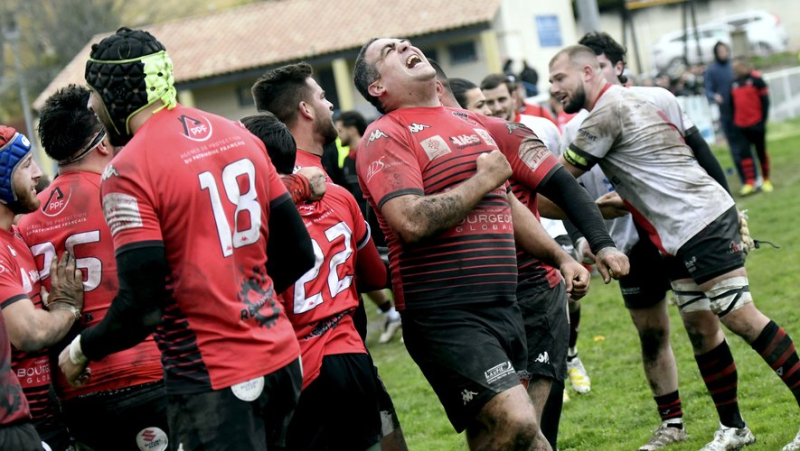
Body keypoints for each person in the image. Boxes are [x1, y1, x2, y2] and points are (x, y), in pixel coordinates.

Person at [352, 37, 628, 450]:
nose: (404, 44)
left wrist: (559, 256)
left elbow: (506, 203)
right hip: (445, 314)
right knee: (520, 423)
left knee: (503, 437)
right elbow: (409, 221)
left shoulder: (471, 124)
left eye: (404, 41)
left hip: (504, 306)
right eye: (389, 50)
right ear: (378, 87)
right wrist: (483, 178)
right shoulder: (384, 135)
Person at [57, 27, 315, 450]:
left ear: (120, 92)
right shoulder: (238, 134)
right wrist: (244, 302)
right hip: (280, 359)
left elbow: (142, 306)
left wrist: (82, 349)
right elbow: (298, 252)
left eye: (94, 92)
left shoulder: (128, 169)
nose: (90, 104)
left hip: (212, 378)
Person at [550, 44, 800, 451]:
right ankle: (734, 428)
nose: (553, 88)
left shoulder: (604, 115)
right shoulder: (627, 103)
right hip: (674, 234)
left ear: (590, 71)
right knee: (701, 329)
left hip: (699, 222)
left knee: (740, 317)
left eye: (559, 78)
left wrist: (517, 186)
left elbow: (555, 189)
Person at [250, 65, 408, 449]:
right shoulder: (327, 191)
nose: (331, 103)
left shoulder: (254, 197)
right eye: (322, 96)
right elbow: (373, 275)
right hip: (332, 352)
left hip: (306, 359)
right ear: (305, 109)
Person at [19, 84, 169, 451]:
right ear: (103, 143)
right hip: (144, 370)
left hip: (73, 389)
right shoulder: (124, 194)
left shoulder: (23, 223)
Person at [0, 126, 83, 451]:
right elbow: (29, 333)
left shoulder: (17, 236)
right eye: (26, 165)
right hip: (16, 427)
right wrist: (66, 309)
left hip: (45, 417)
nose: (38, 173)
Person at [705, 42, 757, 196]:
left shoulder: (734, 66)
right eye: (719, 51)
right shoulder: (712, 70)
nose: (723, 53)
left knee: (747, 147)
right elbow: (708, 90)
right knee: (735, 149)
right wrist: (715, 96)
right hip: (726, 115)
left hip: (740, 113)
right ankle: (745, 181)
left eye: (724, 50)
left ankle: (755, 177)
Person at [731, 56, 773, 193]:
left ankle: (766, 180)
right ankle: (750, 182)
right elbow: (731, 105)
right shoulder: (734, 83)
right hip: (740, 125)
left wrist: (762, 120)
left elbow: (765, 102)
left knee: (761, 152)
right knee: (744, 154)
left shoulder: (757, 80)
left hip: (757, 123)